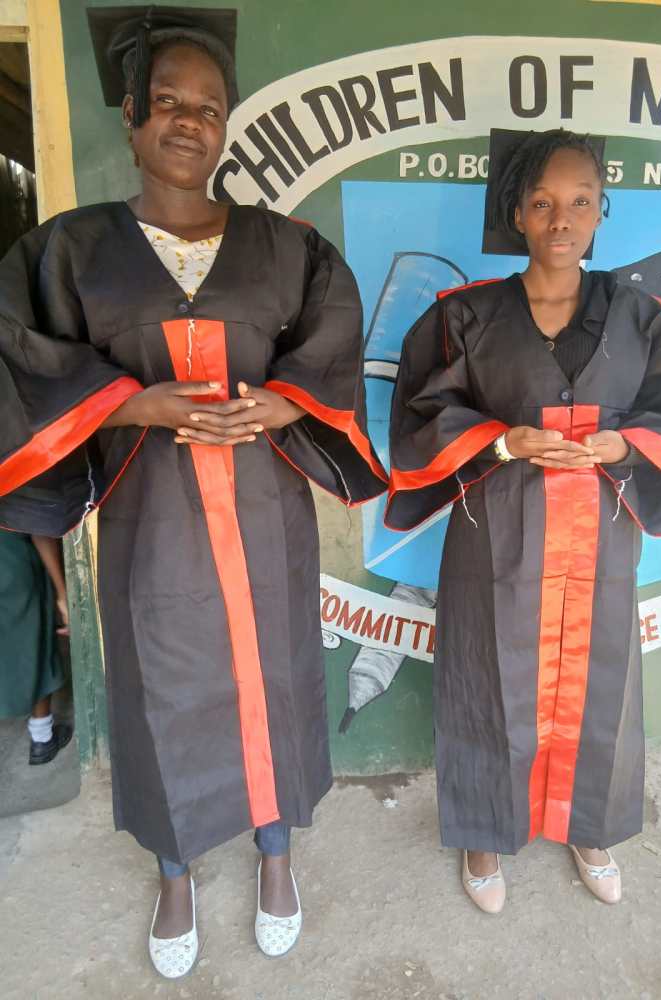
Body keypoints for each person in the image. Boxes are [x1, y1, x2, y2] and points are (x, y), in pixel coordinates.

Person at [0, 5, 386, 977]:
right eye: (166, 100)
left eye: (208, 107)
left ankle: (275, 852)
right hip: (152, 520)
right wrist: (134, 404)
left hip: (264, 512)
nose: (188, 120)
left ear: (225, 127)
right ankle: (176, 871)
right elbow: (23, 361)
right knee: (162, 688)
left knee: (276, 675)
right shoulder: (69, 251)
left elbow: (331, 342)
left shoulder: (285, 246)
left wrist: (284, 403)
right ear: (132, 118)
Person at [386, 128, 661, 913]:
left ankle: (589, 826)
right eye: (544, 202)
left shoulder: (639, 315)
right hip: (497, 531)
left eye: (581, 201)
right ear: (517, 211)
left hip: (599, 535)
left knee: (600, 681)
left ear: (600, 210)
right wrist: (502, 440)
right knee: (487, 673)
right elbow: (421, 411)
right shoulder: (466, 316)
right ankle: (486, 830)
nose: (562, 219)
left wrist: (629, 442)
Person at [0, 532, 72, 765]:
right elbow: (39, 529)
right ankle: (42, 739)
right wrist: (62, 593)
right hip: (13, 564)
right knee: (36, 645)